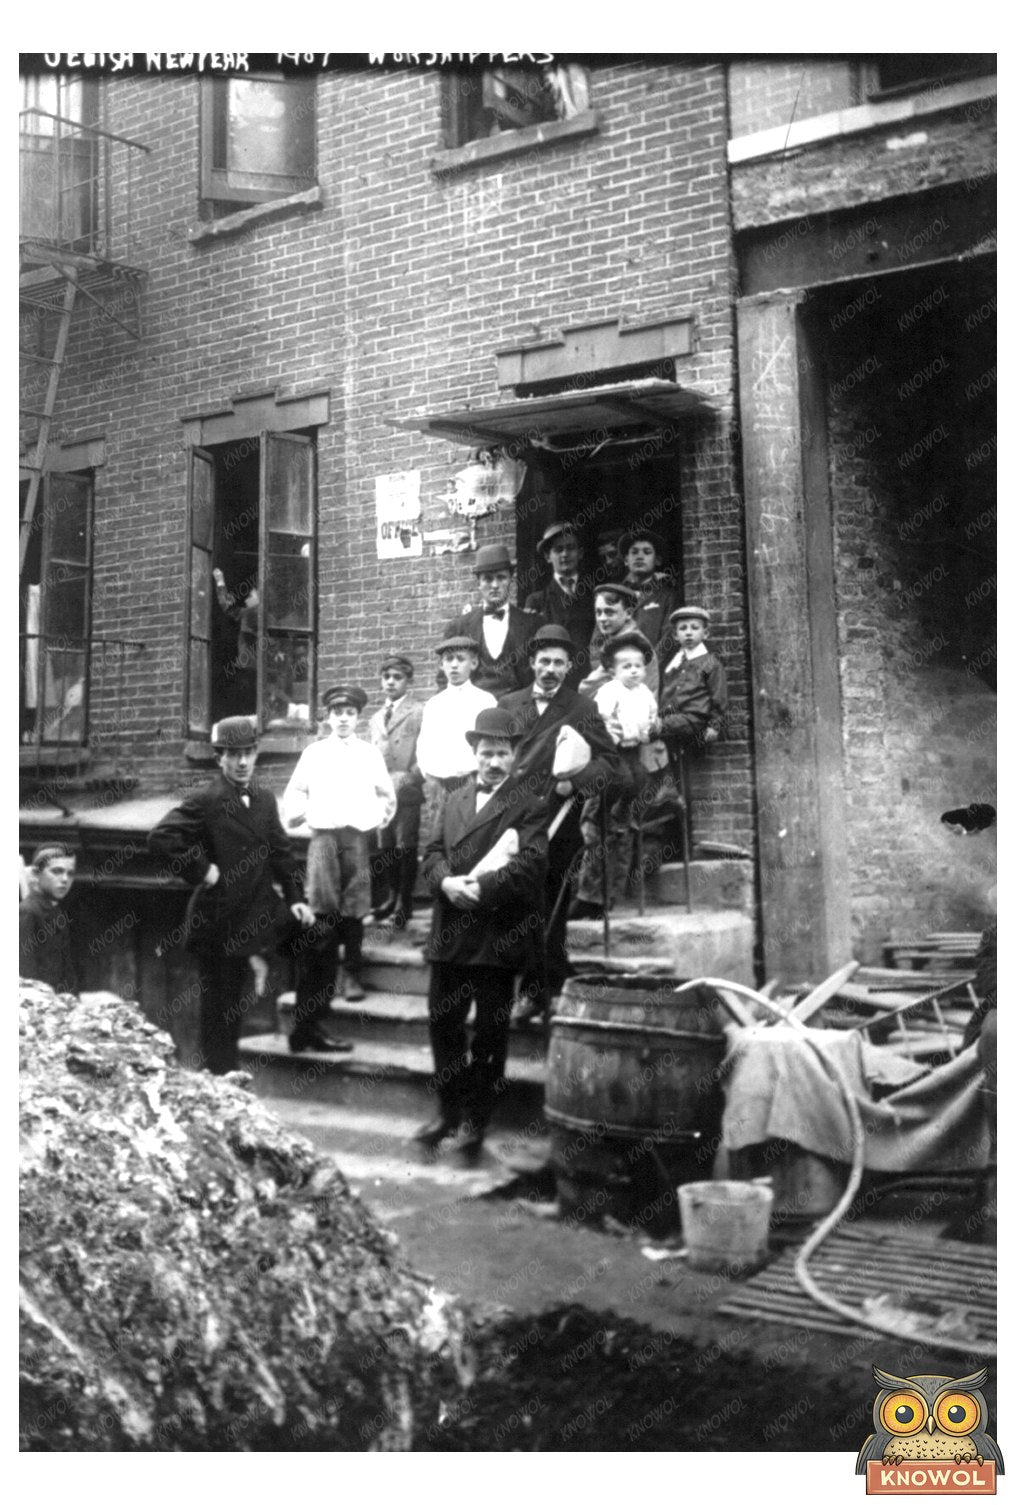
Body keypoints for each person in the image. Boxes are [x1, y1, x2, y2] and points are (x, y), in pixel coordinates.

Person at [415, 707, 548, 1157]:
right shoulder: (454, 800)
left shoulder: (529, 801)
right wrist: (447, 883)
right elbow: (431, 853)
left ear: (514, 756)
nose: (494, 762)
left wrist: (482, 887)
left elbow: (532, 866)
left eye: (502, 753)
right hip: (451, 932)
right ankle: (447, 1112)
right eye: (487, 752)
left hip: (497, 935)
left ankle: (476, 1119)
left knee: (490, 1033)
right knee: (443, 1024)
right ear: (474, 753)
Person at [148, 717, 315, 1074]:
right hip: (219, 920)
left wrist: (296, 896)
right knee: (221, 1007)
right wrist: (203, 870)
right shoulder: (207, 799)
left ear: (256, 754)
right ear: (219, 757)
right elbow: (162, 837)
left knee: (319, 938)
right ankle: (220, 1079)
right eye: (234, 754)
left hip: (258, 911)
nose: (242, 762)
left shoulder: (265, 799)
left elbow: (282, 852)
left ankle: (307, 1030)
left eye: (249, 753)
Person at [498, 624, 620, 1020]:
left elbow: (610, 763)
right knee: (522, 903)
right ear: (532, 662)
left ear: (569, 667)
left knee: (549, 902)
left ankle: (535, 991)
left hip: (559, 821)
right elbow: (492, 759)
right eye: (544, 661)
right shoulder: (508, 704)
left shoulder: (582, 708)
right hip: (516, 821)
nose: (550, 669)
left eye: (558, 663)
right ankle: (549, 974)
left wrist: (575, 782)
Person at [283, 686, 397, 1045]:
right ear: (328, 717)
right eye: (337, 712)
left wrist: (371, 820)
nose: (344, 718)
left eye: (350, 712)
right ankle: (321, 988)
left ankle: (352, 974)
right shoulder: (314, 753)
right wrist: (306, 817)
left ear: (358, 716)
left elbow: (386, 795)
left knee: (355, 905)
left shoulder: (369, 753)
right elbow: (295, 792)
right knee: (323, 908)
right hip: (323, 839)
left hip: (356, 839)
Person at [571, 630, 666, 917]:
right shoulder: (608, 691)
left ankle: (609, 898)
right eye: (627, 666)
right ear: (612, 669)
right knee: (598, 828)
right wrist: (606, 732)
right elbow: (597, 719)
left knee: (626, 820)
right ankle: (588, 897)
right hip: (609, 754)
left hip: (634, 751)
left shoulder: (644, 692)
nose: (635, 671)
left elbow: (651, 716)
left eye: (639, 666)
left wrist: (654, 725)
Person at [416, 635, 497, 845]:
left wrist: (479, 777)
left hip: (471, 780)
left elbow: (490, 744)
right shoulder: (434, 704)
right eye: (448, 659)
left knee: (470, 837)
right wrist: (431, 777)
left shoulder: (485, 700)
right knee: (438, 838)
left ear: (474, 663)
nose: (454, 665)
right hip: (440, 785)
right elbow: (424, 746)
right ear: (441, 665)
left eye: (460, 659)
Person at [368, 653, 425, 928]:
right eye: (386, 677)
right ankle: (390, 897)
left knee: (405, 846)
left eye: (397, 677)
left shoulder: (418, 711)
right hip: (382, 793)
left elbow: (426, 752)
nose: (391, 682)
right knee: (386, 846)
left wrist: (410, 776)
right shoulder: (376, 718)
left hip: (406, 791)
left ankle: (405, 901)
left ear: (408, 681)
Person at [442, 543, 544, 695]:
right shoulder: (459, 627)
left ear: (511, 579)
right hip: (473, 709)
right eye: (488, 579)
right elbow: (445, 678)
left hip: (519, 710)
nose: (495, 585)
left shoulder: (532, 624)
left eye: (501, 578)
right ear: (478, 583)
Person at [523, 521, 595, 687]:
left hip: (588, 681)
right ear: (548, 556)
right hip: (554, 680)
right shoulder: (537, 600)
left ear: (580, 553)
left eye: (570, 548)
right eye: (558, 549)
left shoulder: (594, 594)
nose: (565, 554)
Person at [657, 605, 728, 751]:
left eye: (694, 628)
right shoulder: (674, 662)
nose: (688, 633)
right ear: (676, 635)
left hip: (695, 718)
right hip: (672, 718)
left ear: (705, 633)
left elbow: (719, 697)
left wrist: (715, 726)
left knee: (651, 728)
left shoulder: (710, 663)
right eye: (683, 629)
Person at [578, 582, 660, 698]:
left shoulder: (627, 644)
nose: (602, 618)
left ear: (629, 613)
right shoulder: (625, 637)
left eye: (609, 612)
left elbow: (587, 689)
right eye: (598, 612)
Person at [19, 843, 78, 994]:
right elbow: (25, 978)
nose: (65, 879)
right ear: (36, 874)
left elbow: (68, 974)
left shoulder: (56, 913)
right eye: (57, 871)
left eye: (70, 873)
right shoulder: (27, 913)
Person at [620, 528, 681, 649]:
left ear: (657, 560)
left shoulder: (667, 595)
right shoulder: (616, 594)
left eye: (647, 552)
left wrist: (651, 665)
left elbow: (669, 637)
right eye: (634, 552)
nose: (639, 557)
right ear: (626, 560)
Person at [212, 567, 259, 716]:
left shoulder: (249, 613)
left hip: (249, 669)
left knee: (247, 703)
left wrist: (220, 581)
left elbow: (226, 606)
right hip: (258, 670)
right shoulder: (263, 616)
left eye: (252, 595)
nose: (247, 598)